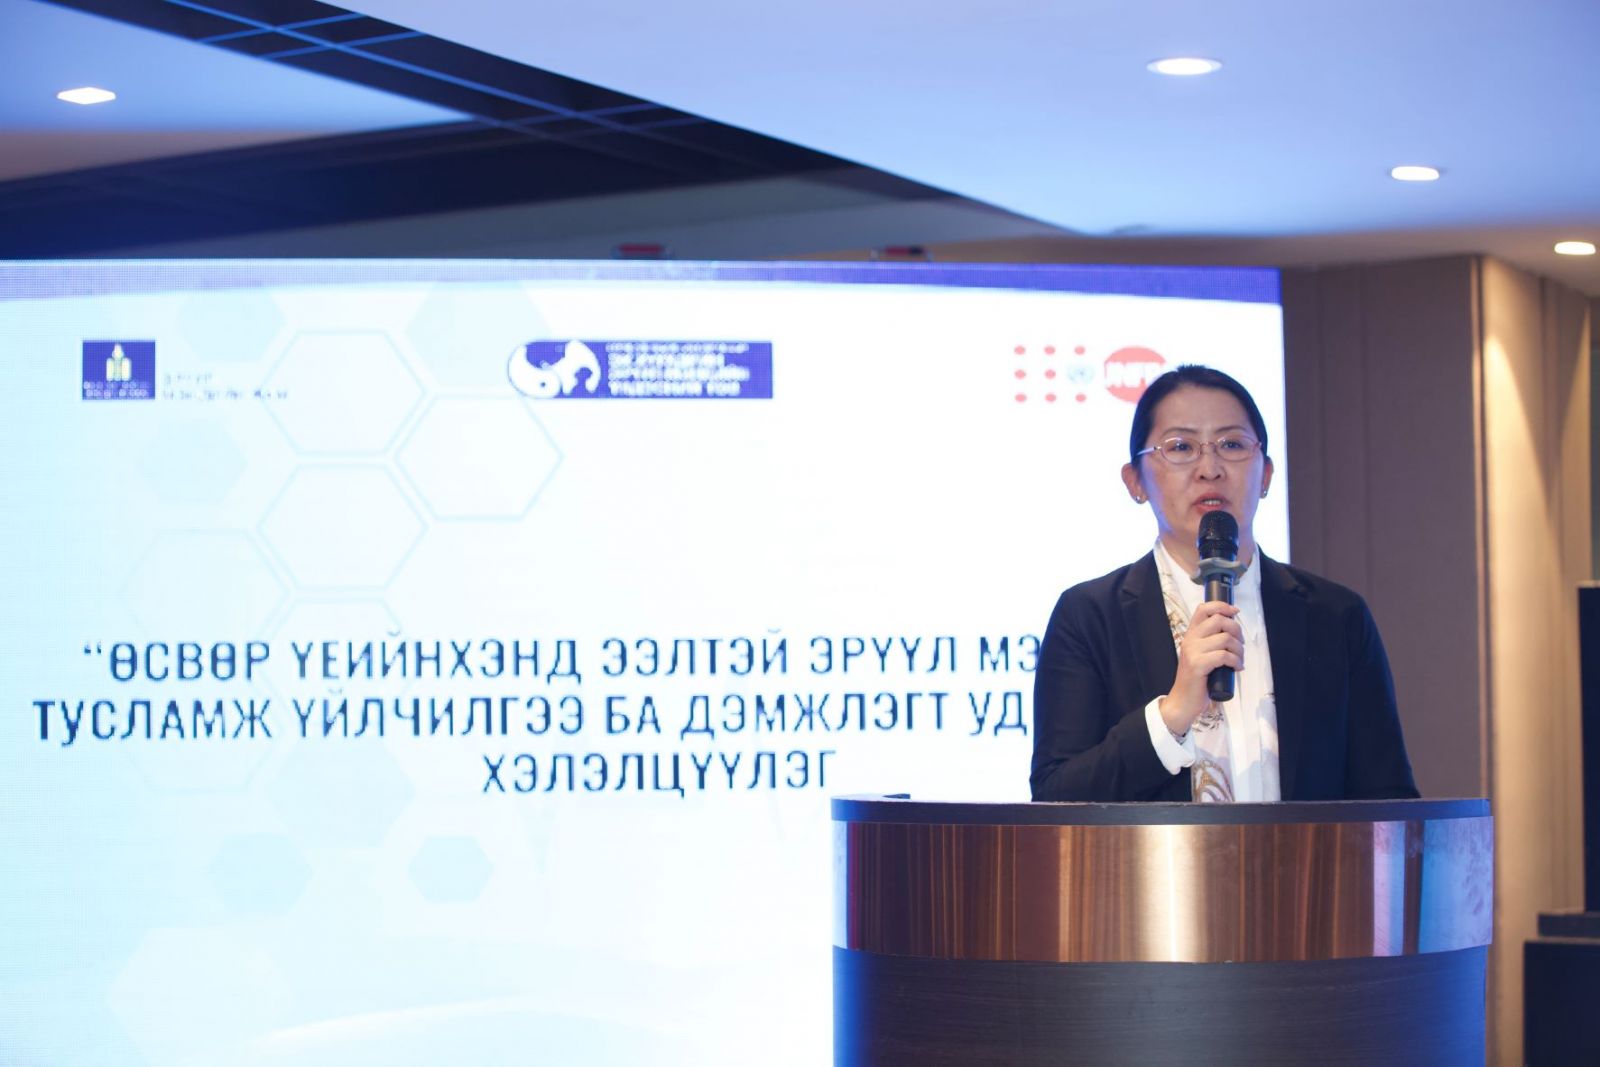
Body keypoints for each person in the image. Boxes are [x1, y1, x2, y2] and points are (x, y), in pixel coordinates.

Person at [1029, 365, 1418, 802]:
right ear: (1135, 481)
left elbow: (1389, 802)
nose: (1209, 469)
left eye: (1231, 444)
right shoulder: (1089, 616)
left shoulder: (1336, 616)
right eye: (1181, 447)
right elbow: (1056, 796)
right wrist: (1172, 715)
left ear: (1266, 474)